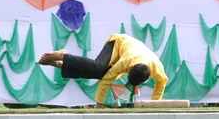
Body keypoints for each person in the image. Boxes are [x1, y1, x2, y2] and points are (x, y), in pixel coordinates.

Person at [38, 33, 168, 108]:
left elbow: (161, 85)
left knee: (100, 74)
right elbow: (106, 81)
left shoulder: (158, 69)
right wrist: (99, 104)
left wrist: (153, 105)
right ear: (131, 67)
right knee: (98, 67)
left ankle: (61, 64)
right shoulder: (125, 62)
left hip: (128, 54)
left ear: (148, 77)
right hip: (118, 43)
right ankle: (63, 56)